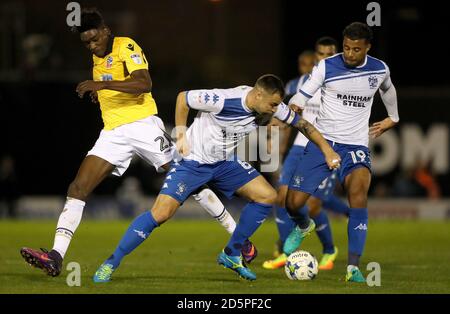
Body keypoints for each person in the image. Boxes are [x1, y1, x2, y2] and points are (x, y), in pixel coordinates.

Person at [19, 8, 252, 277]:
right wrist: (103, 94)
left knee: (191, 180)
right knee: (78, 187)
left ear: (106, 31)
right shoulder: (99, 58)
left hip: (143, 126)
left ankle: (240, 241)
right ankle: (56, 256)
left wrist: (101, 87)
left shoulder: (125, 46)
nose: (92, 45)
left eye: (95, 39)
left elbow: (143, 83)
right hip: (114, 133)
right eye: (86, 42)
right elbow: (114, 85)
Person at [92, 74, 341, 282]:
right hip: (193, 162)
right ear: (257, 95)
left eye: (278, 105)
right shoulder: (223, 99)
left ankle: (232, 254)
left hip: (224, 163)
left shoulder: (271, 106)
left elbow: (304, 125)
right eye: (273, 105)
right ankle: (110, 263)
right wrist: (180, 134)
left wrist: (327, 150)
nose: (276, 110)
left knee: (267, 196)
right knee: (160, 214)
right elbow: (183, 98)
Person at [285, 22, 399, 283]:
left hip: (356, 145)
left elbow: (388, 89)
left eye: (356, 49)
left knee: (358, 195)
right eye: (346, 47)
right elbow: (302, 94)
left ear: (367, 48)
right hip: (322, 143)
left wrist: (393, 117)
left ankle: (353, 267)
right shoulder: (327, 66)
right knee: (293, 203)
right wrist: (296, 105)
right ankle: (304, 226)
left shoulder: (379, 69)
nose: (349, 54)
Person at [263, 37, 350, 271]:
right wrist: (274, 133)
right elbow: (281, 107)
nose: (326, 57)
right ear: (316, 56)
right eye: (321, 54)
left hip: (327, 148)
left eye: (330, 53)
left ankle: (330, 250)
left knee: (312, 205)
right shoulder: (302, 82)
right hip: (300, 147)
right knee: (280, 198)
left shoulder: (344, 84)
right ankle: (285, 251)